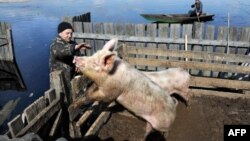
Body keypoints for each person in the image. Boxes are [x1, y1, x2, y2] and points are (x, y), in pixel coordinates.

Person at [49, 21, 91, 104]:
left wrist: (78, 62)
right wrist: (75, 47)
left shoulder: (72, 43)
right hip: (60, 80)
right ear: (60, 33)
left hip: (71, 76)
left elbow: (77, 55)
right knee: (63, 101)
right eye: (67, 33)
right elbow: (61, 52)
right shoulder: (55, 44)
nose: (70, 36)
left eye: (71, 33)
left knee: (74, 97)